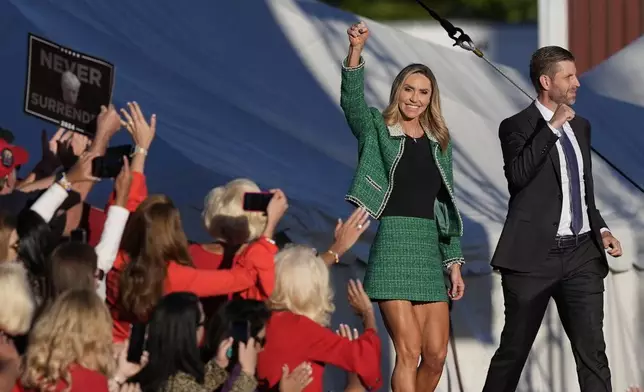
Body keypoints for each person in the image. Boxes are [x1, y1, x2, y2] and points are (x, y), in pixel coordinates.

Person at [483, 46, 623, 392]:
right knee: (513, 352)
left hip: (582, 255)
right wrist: (553, 127)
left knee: (593, 354)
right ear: (546, 81)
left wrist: (601, 228)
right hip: (533, 259)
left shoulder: (583, 127)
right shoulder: (515, 126)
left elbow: (581, 189)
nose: (577, 82)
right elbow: (518, 176)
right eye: (569, 77)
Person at [339, 22, 465, 391]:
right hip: (393, 243)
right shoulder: (377, 127)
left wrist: (453, 262)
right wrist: (356, 50)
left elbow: (446, 207)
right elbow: (351, 103)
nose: (415, 97)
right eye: (409, 89)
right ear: (398, 91)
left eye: (423, 92)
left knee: (437, 355)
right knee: (408, 352)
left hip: (428, 251)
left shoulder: (440, 142)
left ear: (431, 97)